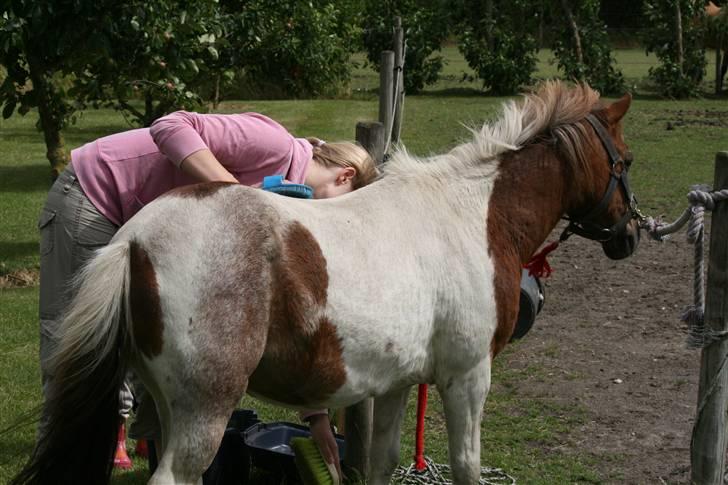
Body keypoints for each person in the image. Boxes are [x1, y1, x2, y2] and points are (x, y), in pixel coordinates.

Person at [38, 110, 378, 474]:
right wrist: (233, 193)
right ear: (345, 176)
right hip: (97, 196)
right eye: (341, 206)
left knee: (174, 353)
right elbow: (170, 125)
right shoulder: (275, 145)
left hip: (151, 233)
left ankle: (164, 468)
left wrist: (315, 416)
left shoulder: (287, 214)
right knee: (81, 358)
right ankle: (58, 461)